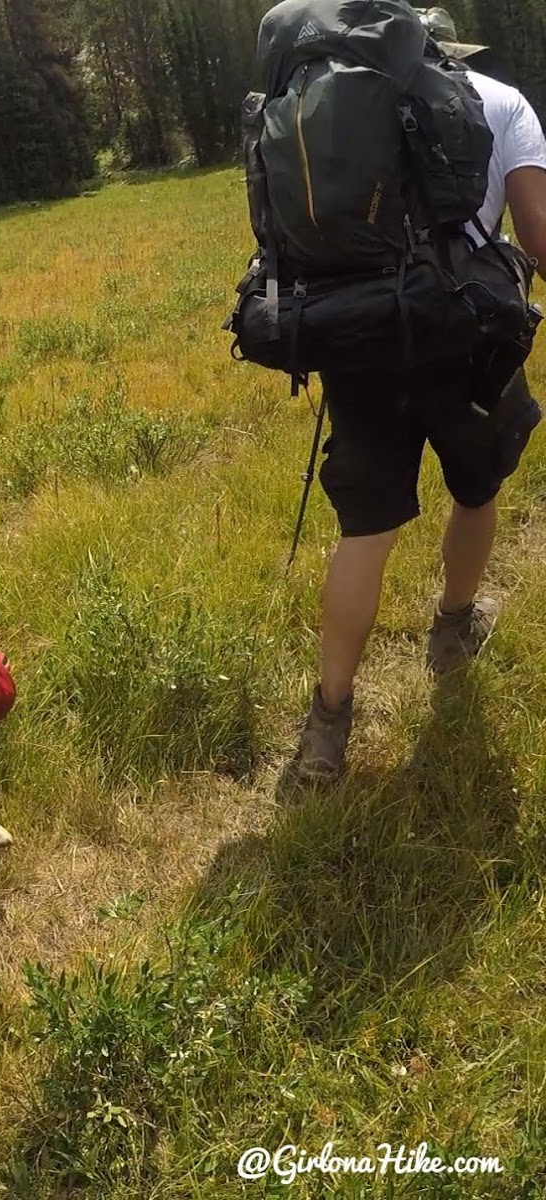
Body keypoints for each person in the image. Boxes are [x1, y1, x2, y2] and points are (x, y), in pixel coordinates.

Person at [294, 8, 546, 781]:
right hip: (469, 339)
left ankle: (329, 723)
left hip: (362, 337)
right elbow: (536, 236)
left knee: (365, 532)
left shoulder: (337, 106)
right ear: (450, 48)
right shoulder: (502, 102)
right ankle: (451, 627)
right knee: (475, 493)